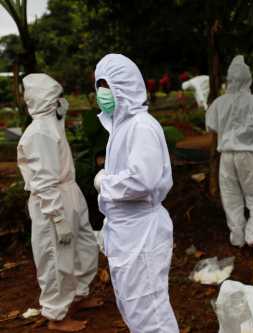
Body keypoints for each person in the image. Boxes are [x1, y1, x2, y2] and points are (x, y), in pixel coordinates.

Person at [93, 54, 179, 333]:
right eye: (99, 86)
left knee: (150, 313)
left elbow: (143, 180)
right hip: (128, 232)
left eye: (106, 85)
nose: (101, 93)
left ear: (124, 86)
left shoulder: (141, 127)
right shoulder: (122, 126)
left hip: (142, 232)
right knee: (135, 307)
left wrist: (104, 183)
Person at [17, 74, 100, 332]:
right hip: (52, 199)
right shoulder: (39, 132)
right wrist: (58, 217)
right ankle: (56, 315)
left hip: (68, 192)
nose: (61, 101)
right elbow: (43, 180)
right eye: (56, 97)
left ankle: (79, 295)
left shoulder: (51, 125)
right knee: (56, 257)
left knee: (83, 245)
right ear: (46, 99)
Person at [206, 55, 253, 247]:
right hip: (250, 155)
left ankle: (237, 238)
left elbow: (211, 125)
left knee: (231, 197)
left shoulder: (219, 103)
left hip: (226, 156)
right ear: (248, 79)